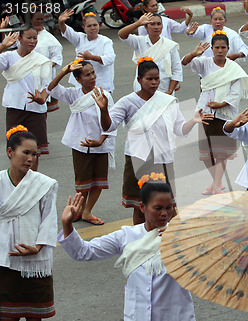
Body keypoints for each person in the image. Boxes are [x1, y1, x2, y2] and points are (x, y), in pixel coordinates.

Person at [58, 179, 196, 321]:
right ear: (142, 207)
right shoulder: (126, 236)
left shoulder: (182, 237)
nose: (164, 213)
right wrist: (67, 224)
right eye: (158, 208)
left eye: (169, 207)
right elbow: (83, 252)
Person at [99, 58, 212, 224]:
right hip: (139, 159)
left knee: (168, 206)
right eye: (149, 79)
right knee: (140, 206)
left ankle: (170, 241)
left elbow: (180, 130)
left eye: (156, 78)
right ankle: (142, 243)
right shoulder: (127, 102)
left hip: (163, 159)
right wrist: (103, 111)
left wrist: (193, 121)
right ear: (139, 80)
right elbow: (109, 126)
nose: (154, 82)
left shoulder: (167, 101)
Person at [47, 60, 116, 226]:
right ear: (78, 79)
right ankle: (80, 209)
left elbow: (113, 121)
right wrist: (63, 72)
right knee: (83, 183)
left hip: (100, 144)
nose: (92, 77)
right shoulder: (74, 95)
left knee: (99, 182)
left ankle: (87, 211)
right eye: (87, 74)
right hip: (81, 145)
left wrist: (101, 140)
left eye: (93, 73)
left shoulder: (105, 95)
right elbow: (51, 89)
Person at [0, 126, 58, 320]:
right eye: (26, 153)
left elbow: (49, 219)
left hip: (35, 262)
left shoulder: (44, 184)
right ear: (10, 152)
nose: (31, 159)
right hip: (4, 260)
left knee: (35, 315)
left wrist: (38, 247)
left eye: (34, 154)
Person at [182, 33, 248, 195]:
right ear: (211, 49)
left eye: (223, 48)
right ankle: (216, 182)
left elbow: (236, 92)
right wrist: (193, 53)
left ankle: (217, 183)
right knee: (206, 154)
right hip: (204, 112)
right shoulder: (204, 63)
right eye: (217, 47)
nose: (220, 51)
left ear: (228, 49)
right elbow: (184, 63)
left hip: (224, 115)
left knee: (221, 152)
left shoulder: (233, 68)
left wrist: (222, 104)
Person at [0, 28, 52, 171]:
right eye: (29, 38)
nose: (32, 41)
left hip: (36, 110)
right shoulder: (9, 57)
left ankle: (31, 181)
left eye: (35, 38)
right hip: (15, 107)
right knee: (16, 148)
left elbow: (46, 85)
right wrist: (3, 46)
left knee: (34, 150)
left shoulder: (41, 60)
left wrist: (42, 98)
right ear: (19, 39)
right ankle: (16, 181)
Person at [118, 12, 182, 95]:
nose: (156, 27)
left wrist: (170, 90)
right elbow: (122, 34)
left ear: (162, 26)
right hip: (142, 91)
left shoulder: (170, 45)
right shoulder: (139, 41)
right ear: (146, 27)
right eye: (152, 24)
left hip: (164, 91)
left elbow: (177, 70)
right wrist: (138, 23)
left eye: (159, 24)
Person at [58, 10, 116, 93]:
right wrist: (61, 23)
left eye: (95, 25)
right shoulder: (80, 38)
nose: (93, 28)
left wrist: (92, 57)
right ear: (83, 28)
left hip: (101, 80)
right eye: (89, 26)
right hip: (83, 81)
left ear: (99, 25)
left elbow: (110, 59)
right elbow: (67, 33)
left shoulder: (106, 41)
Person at [30, 10, 63, 112]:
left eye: (42, 19)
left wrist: (45, 66)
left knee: (41, 108)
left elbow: (57, 57)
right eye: (37, 19)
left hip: (44, 78)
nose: (40, 21)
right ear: (30, 20)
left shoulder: (49, 38)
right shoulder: (23, 35)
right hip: (27, 75)